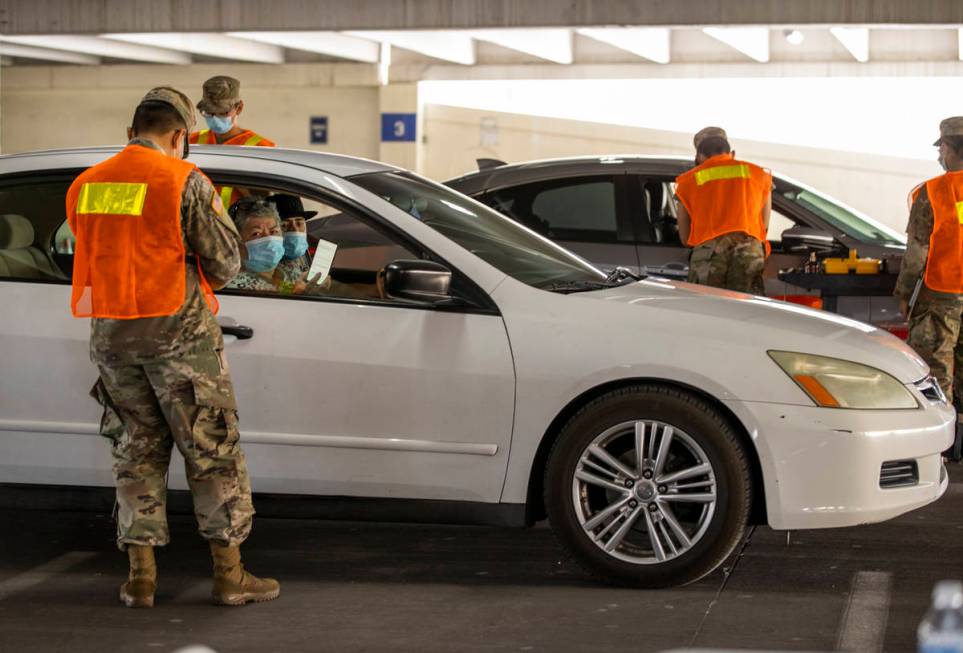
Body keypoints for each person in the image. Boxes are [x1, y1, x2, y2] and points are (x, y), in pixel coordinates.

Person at [66, 87, 279, 608]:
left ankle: (141, 579)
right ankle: (230, 577)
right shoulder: (183, 180)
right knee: (212, 451)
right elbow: (228, 264)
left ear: (131, 131)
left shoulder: (86, 184)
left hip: (113, 341)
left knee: (134, 452)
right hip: (179, 339)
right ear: (181, 135)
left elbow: (85, 248)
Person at [897, 117, 963, 413]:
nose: (939, 155)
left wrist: (904, 294)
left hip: (940, 295)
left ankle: (939, 452)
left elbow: (917, 251)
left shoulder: (935, 192)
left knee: (934, 374)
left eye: (942, 148)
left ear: (951, 148)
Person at [674, 126, 772, 294]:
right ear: (730, 152)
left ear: (699, 155)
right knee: (746, 314)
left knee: (708, 312)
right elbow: (764, 225)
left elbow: (684, 237)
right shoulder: (757, 175)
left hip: (708, 255)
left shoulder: (688, 181)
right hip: (748, 253)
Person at [190, 75, 276, 207]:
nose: (215, 118)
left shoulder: (261, 148)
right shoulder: (191, 142)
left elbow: (263, 205)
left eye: (223, 113)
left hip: (238, 225)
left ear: (239, 108)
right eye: (208, 113)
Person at [270, 194, 316, 284]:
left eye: (299, 223)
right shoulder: (267, 261)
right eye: (284, 225)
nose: (295, 230)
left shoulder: (304, 255)